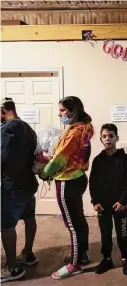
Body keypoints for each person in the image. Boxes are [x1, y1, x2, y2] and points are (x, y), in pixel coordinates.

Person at [39, 96, 94, 280]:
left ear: (73, 111)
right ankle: (82, 255)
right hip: (78, 177)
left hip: (67, 180)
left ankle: (75, 265)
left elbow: (60, 159)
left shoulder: (73, 133)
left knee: (72, 225)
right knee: (78, 219)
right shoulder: (84, 128)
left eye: (62, 110)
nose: (59, 114)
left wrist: (45, 172)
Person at [1, 97, 39, 283]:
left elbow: (2, 157)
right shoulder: (28, 128)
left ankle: (13, 269)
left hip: (12, 186)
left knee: (6, 225)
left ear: (2, 110)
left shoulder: (7, 129)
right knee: (29, 217)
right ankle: (28, 254)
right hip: (28, 184)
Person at [89, 123, 127, 275]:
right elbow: (93, 183)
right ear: (101, 140)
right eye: (104, 136)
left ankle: (125, 259)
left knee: (122, 232)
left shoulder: (123, 159)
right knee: (105, 234)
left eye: (111, 136)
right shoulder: (97, 160)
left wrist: (123, 201)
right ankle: (107, 259)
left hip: (119, 204)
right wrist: (95, 201)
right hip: (103, 205)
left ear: (117, 138)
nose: (107, 139)